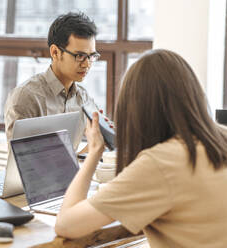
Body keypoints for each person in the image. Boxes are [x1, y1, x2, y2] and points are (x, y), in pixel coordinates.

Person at [55, 49, 227, 247]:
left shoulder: (160, 164)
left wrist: (95, 151)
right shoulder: (220, 137)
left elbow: (66, 224)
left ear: (137, 110)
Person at [4, 12, 100, 146]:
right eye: (80, 56)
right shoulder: (26, 97)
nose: (87, 64)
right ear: (55, 52)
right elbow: (21, 161)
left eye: (92, 56)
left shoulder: (83, 98)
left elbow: (74, 153)